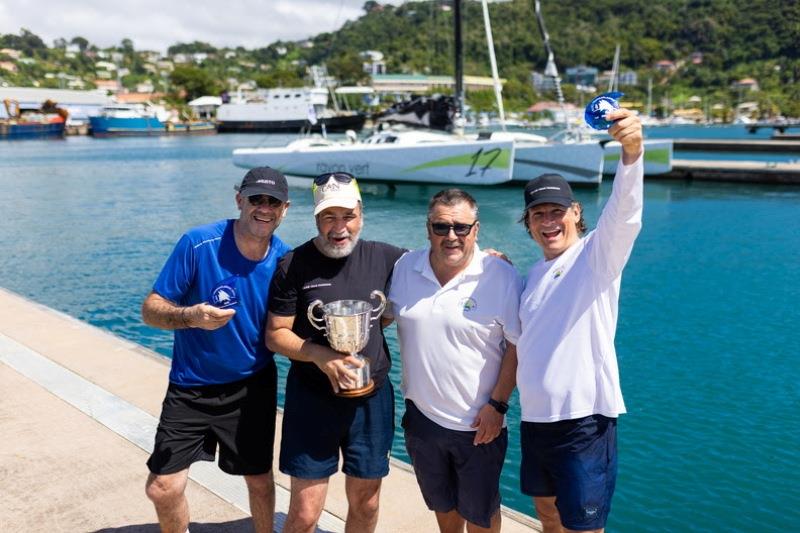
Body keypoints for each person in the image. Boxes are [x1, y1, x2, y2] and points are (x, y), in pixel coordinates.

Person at [141, 167, 292, 533]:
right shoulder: (198, 243)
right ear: (240, 199)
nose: (264, 208)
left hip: (251, 387)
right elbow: (151, 309)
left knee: (258, 479)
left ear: (284, 209)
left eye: (273, 202)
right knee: (162, 487)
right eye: (256, 198)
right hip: (190, 387)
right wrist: (190, 316)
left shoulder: (286, 259)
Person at [516, 108, 644, 533]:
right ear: (529, 224)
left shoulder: (595, 257)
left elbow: (624, 215)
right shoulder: (532, 276)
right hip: (536, 421)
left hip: (583, 422)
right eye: (538, 215)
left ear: (575, 213)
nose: (548, 222)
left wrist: (632, 153)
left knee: (584, 527)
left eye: (556, 211)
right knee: (547, 513)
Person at [264, 172, 405, 533]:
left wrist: (486, 260)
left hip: (372, 399)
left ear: (361, 214)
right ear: (316, 219)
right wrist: (320, 355)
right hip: (312, 400)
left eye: (348, 216)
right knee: (305, 513)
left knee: (367, 501)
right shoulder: (293, 265)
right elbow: (276, 335)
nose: (339, 227)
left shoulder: (388, 258)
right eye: (329, 217)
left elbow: (443, 262)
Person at [388, 189, 522, 533]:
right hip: (421, 421)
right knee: (444, 513)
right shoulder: (405, 267)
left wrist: (498, 405)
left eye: (461, 227)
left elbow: (516, 346)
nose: (451, 236)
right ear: (427, 227)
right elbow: (382, 316)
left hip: (480, 425)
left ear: (476, 229)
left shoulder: (501, 275)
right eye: (441, 227)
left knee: (481, 518)